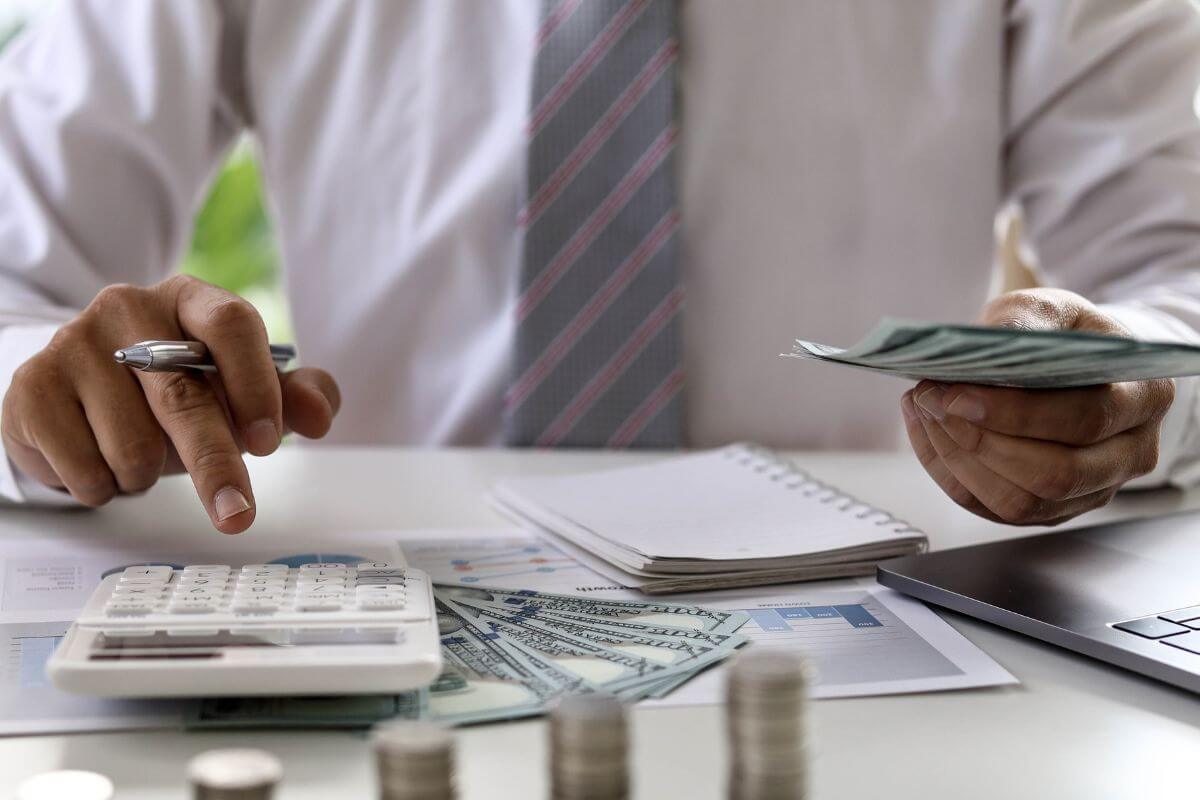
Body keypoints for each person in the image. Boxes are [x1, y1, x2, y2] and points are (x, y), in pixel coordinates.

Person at [0, 0, 1197, 534]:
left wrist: (1131, 397)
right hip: (392, 602)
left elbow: (1182, 287)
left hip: (890, 612)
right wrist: (40, 394)